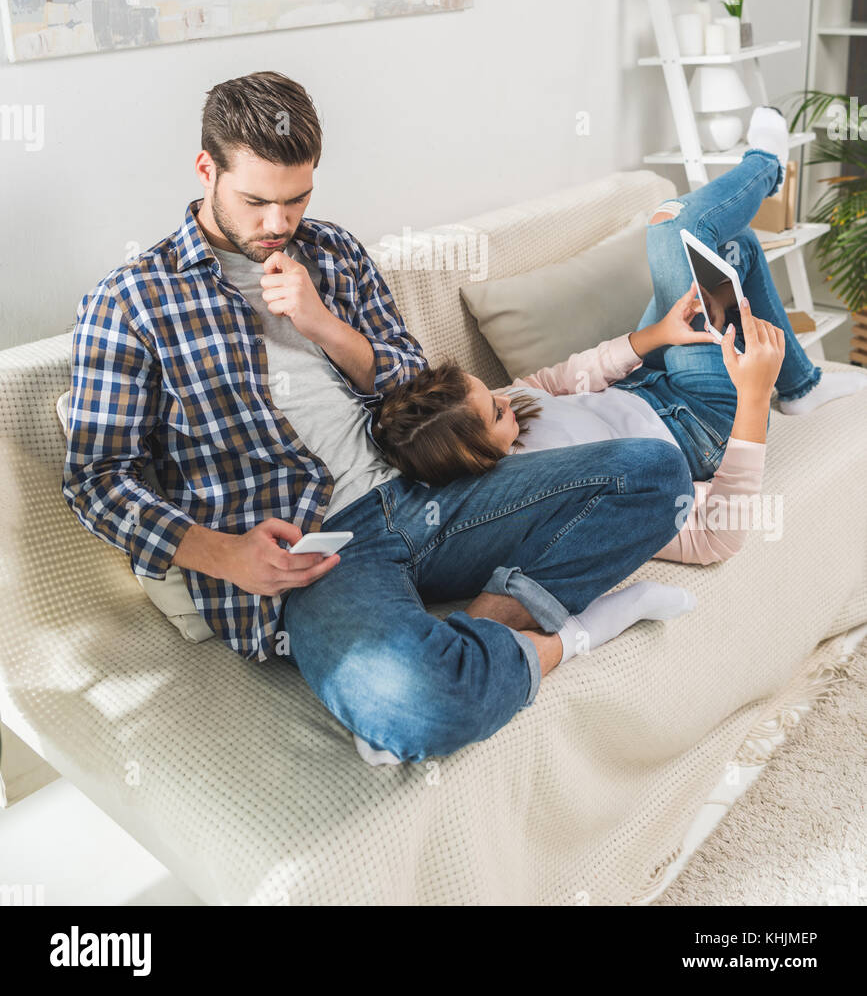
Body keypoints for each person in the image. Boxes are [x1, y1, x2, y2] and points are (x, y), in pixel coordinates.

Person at [63, 71, 694, 768]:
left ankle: (480, 632)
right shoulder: (129, 303)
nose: (278, 224)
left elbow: (421, 388)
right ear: (206, 169)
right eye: (255, 201)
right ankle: (563, 640)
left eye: (296, 198)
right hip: (319, 555)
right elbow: (98, 477)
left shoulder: (332, 253)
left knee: (657, 474)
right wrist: (223, 555)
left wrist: (325, 326)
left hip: (429, 495)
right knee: (422, 708)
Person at [374, 110, 867, 600]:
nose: (507, 399)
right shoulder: (541, 497)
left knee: (732, 249)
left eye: (492, 394)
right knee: (670, 226)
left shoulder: (489, 406)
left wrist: (654, 336)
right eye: (497, 410)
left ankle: (803, 387)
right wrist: (756, 400)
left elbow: (556, 380)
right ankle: (766, 167)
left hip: (644, 380)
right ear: (478, 459)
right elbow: (713, 536)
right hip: (699, 423)